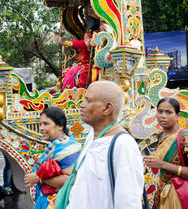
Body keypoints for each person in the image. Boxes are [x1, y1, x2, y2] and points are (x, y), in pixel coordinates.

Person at [58, 80, 144, 209]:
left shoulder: (123, 145)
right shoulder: (92, 136)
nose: (82, 105)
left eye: (88, 100)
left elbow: (128, 202)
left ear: (107, 108)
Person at [143, 97, 188, 209]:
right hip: (163, 193)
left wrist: (162, 165)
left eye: (168, 112)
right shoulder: (161, 136)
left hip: (180, 196)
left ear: (177, 115)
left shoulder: (186, 136)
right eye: (160, 111)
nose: (163, 116)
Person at [24, 107, 81, 209]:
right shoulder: (57, 144)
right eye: (40, 124)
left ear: (60, 125)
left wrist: (39, 179)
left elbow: (70, 179)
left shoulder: (67, 147)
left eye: (46, 124)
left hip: (57, 203)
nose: (41, 128)